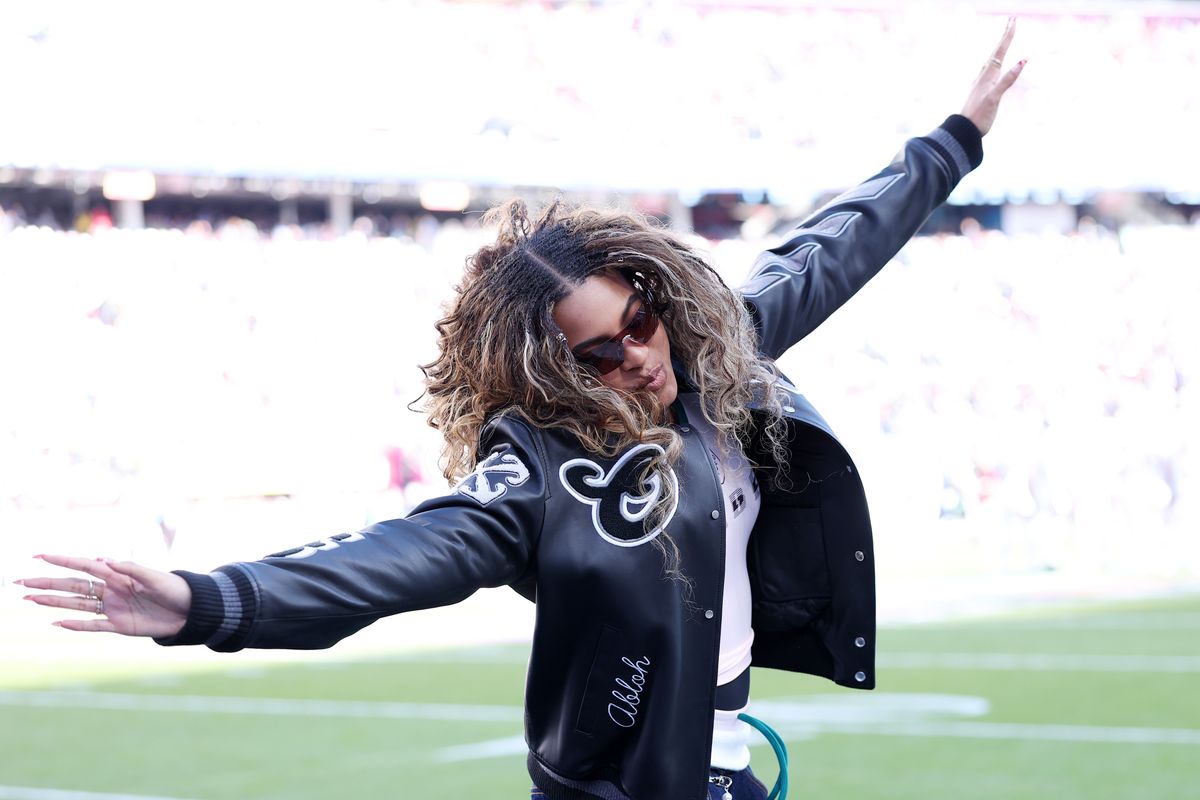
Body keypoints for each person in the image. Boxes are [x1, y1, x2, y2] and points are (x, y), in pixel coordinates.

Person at [21, 20, 1025, 800]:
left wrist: (953, 142)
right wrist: (208, 602)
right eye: (601, 352)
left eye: (640, 321)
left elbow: (829, 250)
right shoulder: (541, 464)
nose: (639, 356)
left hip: (724, 774)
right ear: (552, 370)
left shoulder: (714, 351)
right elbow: (403, 554)